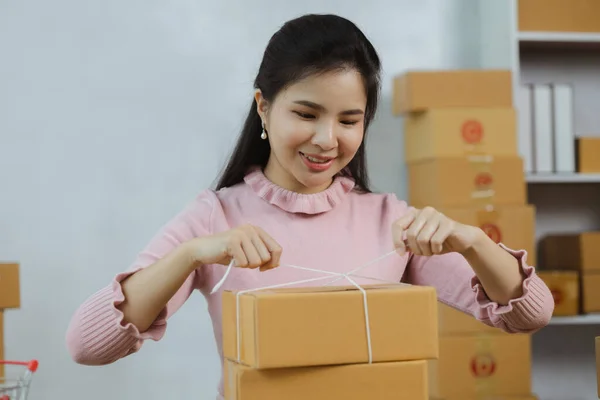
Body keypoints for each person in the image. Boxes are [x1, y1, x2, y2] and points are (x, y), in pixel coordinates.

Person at [65, 13, 554, 399]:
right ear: (263, 106)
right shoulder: (215, 217)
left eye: (349, 120)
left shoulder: (390, 220)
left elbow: (529, 315)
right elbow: (86, 346)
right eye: (306, 113)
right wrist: (192, 253)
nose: (327, 140)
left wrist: (471, 242)